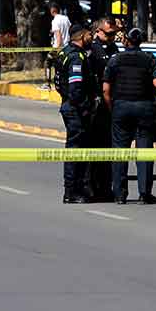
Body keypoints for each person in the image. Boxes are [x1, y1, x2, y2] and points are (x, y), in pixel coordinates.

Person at [104, 28, 156, 205]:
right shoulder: (149, 59)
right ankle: (145, 193)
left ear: (126, 41)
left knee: (119, 152)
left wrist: (113, 108)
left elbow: (106, 89)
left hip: (121, 108)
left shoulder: (115, 60)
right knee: (144, 151)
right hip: (144, 108)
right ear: (141, 41)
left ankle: (119, 194)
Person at [55, 24, 96, 204]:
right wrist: (86, 107)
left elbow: (59, 84)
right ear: (82, 36)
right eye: (89, 35)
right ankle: (71, 191)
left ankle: (79, 188)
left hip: (69, 106)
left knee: (79, 149)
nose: (92, 38)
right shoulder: (76, 58)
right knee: (75, 150)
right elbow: (75, 89)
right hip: (75, 110)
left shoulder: (64, 52)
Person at [86, 17, 120, 202]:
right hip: (96, 105)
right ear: (98, 31)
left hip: (110, 104)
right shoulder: (91, 50)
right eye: (109, 33)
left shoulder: (114, 49)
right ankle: (91, 188)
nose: (112, 36)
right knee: (93, 148)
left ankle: (106, 188)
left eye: (114, 33)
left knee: (108, 148)